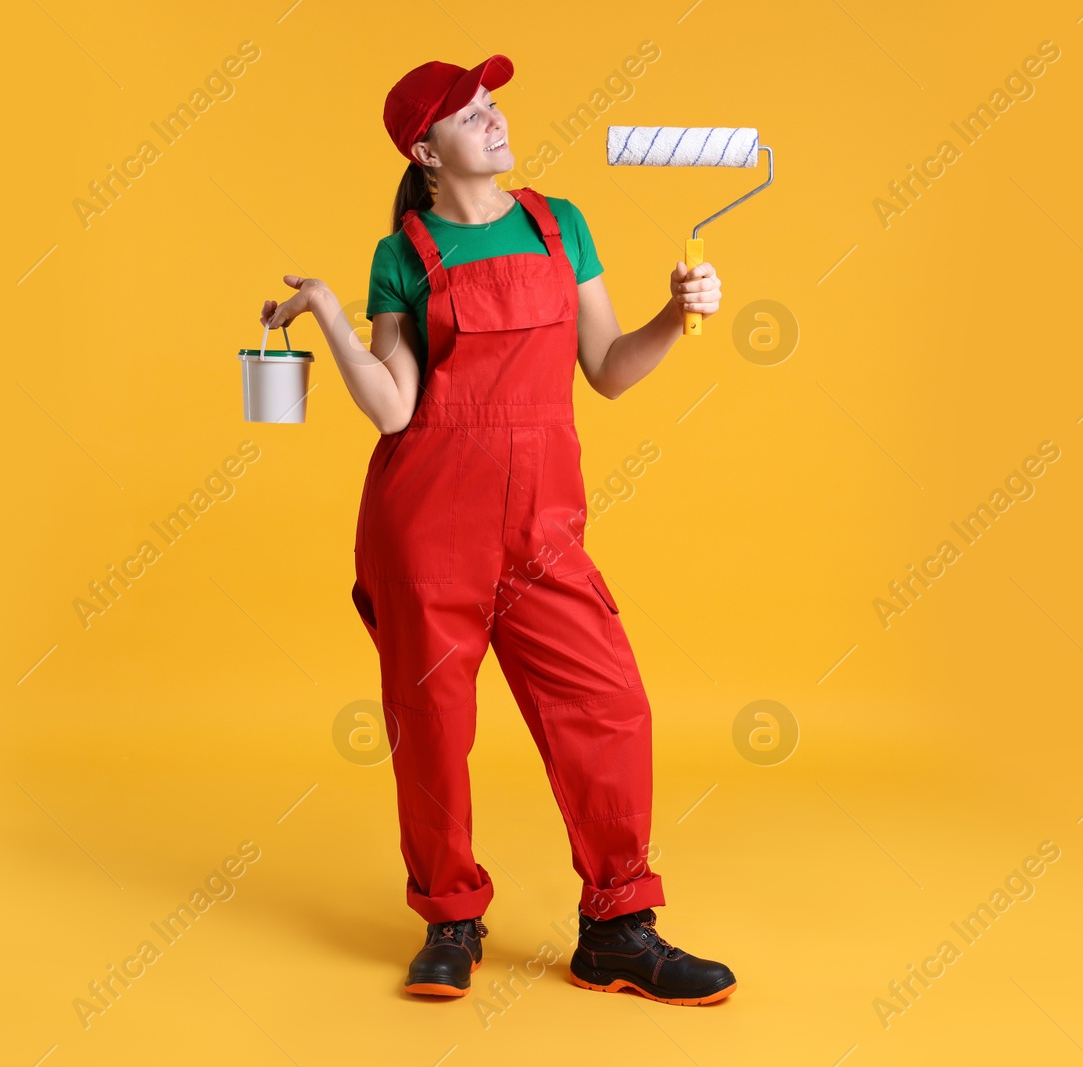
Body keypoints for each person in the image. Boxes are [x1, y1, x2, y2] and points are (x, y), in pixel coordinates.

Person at [259, 54, 736, 1006]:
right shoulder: (404, 253)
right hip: (427, 525)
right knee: (432, 729)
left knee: (608, 705)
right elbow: (394, 409)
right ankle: (448, 918)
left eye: (491, 104)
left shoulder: (559, 225)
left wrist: (675, 319)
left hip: (542, 528)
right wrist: (330, 320)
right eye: (469, 114)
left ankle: (616, 926)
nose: (494, 118)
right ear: (425, 151)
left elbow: (605, 366)